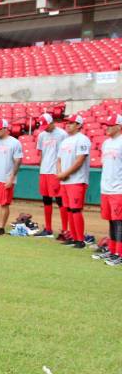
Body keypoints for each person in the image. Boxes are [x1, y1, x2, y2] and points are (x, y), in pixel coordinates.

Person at [56, 115, 92, 248]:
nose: (68, 125)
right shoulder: (65, 141)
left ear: (79, 125)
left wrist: (65, 174)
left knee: (76, 210)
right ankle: (73, 236)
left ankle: (80, 240)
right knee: (69, 209)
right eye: (67, 123)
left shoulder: (83, 140)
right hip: (65, 181)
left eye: (72, 123)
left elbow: (80, 160)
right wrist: (60, 173)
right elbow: (58, 159)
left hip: (77, 180)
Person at [34, 113, 69, 238]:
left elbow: (64, 155)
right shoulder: (42, 135)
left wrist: (61, 171)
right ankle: (48, 229)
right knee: (46, 200)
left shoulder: (62, 134)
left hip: (56, 172)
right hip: (44, 171)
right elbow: (42, 153)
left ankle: (65, 230)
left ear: (52, 122)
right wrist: (41, 166)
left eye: (46, 125)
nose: (45, 128)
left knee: (60, 200)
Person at [96, 113, 122, 266]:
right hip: (106, 188)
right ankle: (112, 251)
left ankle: (119, 253)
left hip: (118, 189)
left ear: (119, 127)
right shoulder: (106, 143)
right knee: (111, 221)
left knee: (119, 221)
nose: (107, 128)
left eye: (110, 126)